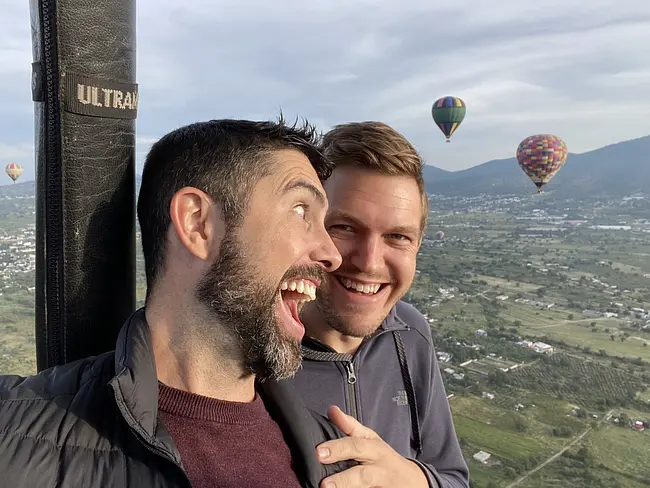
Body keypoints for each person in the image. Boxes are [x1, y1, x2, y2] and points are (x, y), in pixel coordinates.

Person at [0, 118, 361, 488]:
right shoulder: (13, 437)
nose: (332, 254)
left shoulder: (341, 462)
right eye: (301, 210)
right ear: (197, 222)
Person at [289, 121, 471, 488]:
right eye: (344, 228)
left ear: (418, 245)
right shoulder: (250, 350)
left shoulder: (410, 331)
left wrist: (411, 480)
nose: (370, 262)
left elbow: (453, 477)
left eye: (397, 237)